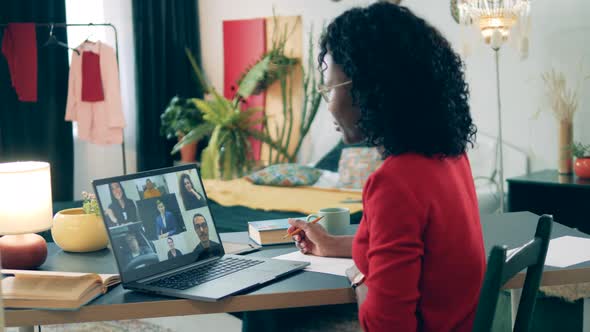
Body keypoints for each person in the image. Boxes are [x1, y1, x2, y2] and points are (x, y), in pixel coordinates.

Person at [285, 3, 485, 331]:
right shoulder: (450, 157)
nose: (329, 104)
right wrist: (332, 244)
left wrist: (362, 276)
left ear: (369, 90)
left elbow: (387, 326)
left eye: (329, 89)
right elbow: (422, 250)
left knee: (273, 319)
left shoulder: (395, 183)